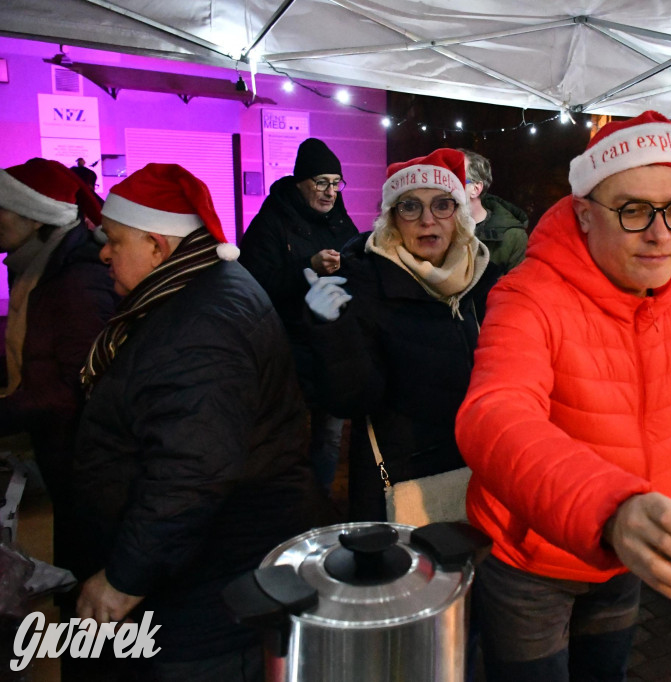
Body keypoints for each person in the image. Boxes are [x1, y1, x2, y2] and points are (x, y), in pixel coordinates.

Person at [453, 111, 671, 681]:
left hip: (622, 551)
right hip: (531, 558)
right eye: (634, 210)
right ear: (585, 214)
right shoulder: (528, 294)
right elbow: (493, 414)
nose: (661, 234)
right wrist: (612, 509)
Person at [73, 163, 330, 680]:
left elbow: (189, 472)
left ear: (156, 247)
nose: (104, 253)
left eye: (115, 240)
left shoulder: (201, 325)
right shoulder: (199, 293)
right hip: (216, 568)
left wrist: (124, 577)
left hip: (211, 591)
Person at [304, 148, 499, 521]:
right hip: (401, 481)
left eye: (442, 205)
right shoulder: (364, 283)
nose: (427, 220)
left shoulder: (486, 280)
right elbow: (351, 401)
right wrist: (333, 331)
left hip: (481, 468)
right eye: (410, 207)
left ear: (459, 214)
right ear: (392, 218)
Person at [0, 158, 118, 573]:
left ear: (35, 217)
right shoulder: (40, 266)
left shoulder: (76, 279)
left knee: (86, 550)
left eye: (2, 208)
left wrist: (6, 413)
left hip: (83, 451)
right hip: (63, 443)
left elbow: (79, 382)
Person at [239, 137, 359, 495]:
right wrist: (307, 266)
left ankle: (320, 499)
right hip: (285, 350)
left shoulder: (341, 221)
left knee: (330, 434)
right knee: (285, 434)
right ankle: (287, 502)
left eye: (336, 183)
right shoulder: (271, 222)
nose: (330, 192)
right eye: (321, 183)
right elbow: (254, 284)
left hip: (331, 347)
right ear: (299, 183)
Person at [459, 148, 529, 273]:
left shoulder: (512, 238)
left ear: (475, 189)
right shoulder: (434, 228)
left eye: (455, 180)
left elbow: (518, 284)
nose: (444, 187)